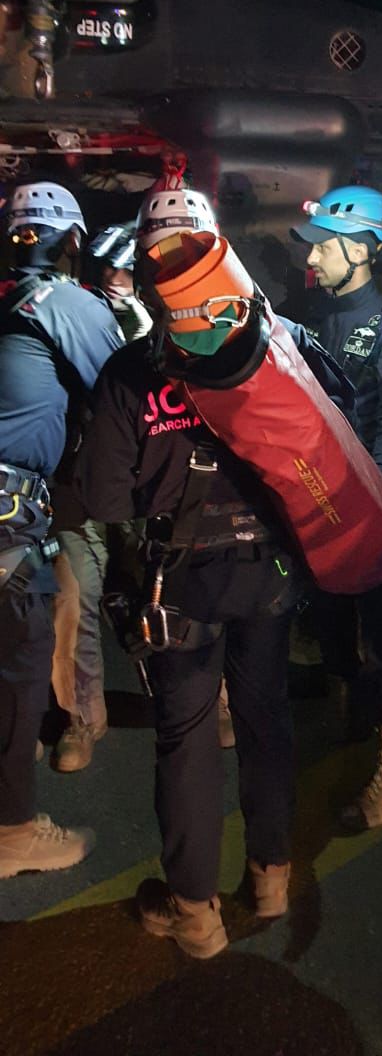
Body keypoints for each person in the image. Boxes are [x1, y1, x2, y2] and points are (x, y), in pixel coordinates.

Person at [73, 187, 356, 958]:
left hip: (181, 586)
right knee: (265, 719)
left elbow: (104, 497)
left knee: (188, 739)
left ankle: (195, 912)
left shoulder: (132, 371)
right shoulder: (282, 341)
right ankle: (270, 877)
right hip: (269, 574)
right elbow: (341, 420)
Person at [0, 180, 123, 877]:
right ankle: (13, 832)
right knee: (20, 665)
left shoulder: (6, 299)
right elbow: (126, 396)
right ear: (74, 240)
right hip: (8, 513)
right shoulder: (67, 303)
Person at [291, 185, 382, 830]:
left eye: (325, 246)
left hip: (366, 507)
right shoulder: (310, 317)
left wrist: (380, 492)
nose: (312, 258)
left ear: (362, 251)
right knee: (331, 619)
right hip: (317, 500)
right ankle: (350, 708)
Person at [51, 222, 153, 773]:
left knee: (171, 592)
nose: (116, 277)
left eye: (128, 269)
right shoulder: (65, 317)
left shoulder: (166, 325)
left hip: (144, 486)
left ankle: (213, 702)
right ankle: (82, 716)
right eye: (107, 267)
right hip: (78, 484)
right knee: (72, 602)